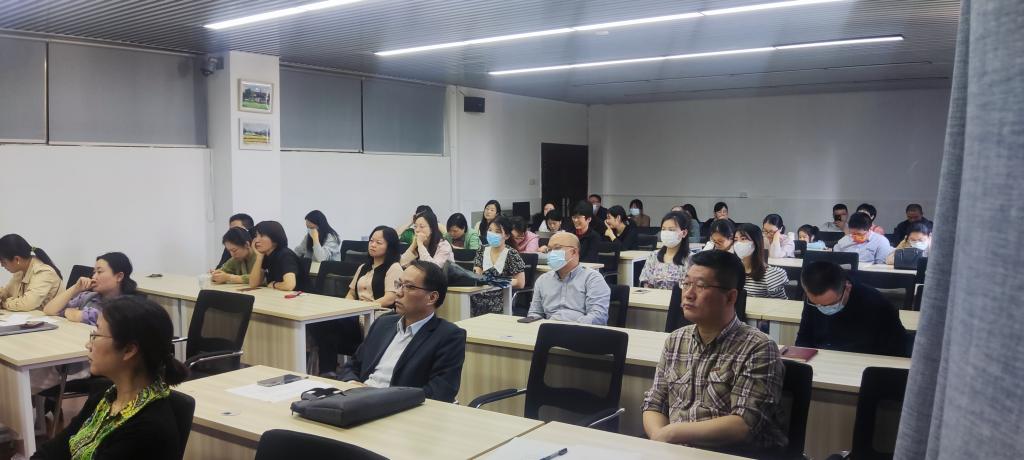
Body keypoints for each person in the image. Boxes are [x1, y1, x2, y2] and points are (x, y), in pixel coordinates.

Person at [642, 250, 787, 452]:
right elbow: (654, 403)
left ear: (730, 297)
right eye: (686, 283)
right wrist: (659, 437)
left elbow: (744, 424)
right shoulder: (676, 340)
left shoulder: (758, 347)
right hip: (673, 449)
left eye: (701, 286)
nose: (688, 294)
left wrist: (672, 433)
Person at [33, 297, 189, 460]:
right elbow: (53, 450)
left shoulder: (147, 428)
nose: (88, 344)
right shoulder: (105, 396)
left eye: (96, 334)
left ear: (128, 350)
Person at [340, 261, 466, 402]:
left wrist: (378, 397)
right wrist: (351, 384)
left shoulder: (449, 336)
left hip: (398, 407)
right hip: (356, 400)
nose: (398, 293)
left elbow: (440, 392)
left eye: (409, 287)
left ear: (431, 298)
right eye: (399, 284)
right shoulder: (383, 323)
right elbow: (352, 365)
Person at [797, 261, 907, 356]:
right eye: (816, 303)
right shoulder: (814, 299)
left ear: (847, 288)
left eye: (831, 304)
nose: (822, 308)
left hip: (863, 362)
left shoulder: (877, 305)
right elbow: (804, 338)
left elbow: (895, 350)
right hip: (823, 360)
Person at [527, 232, 610, 324]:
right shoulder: (543, 280)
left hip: (581, 330)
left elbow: (598, 317)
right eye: (549, 249)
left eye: (557, 248)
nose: (551, 253)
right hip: (549, 328)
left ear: (573, 252)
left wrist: (569, 327)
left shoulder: (593, 279)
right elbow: (535, 313)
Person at [44, 252, 137, 326]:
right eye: (94, 272)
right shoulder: (89, 296)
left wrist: (81, 315)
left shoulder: (130, 306)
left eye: (99, 272)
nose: (94, 277)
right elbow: (49, 310)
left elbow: (111, 322)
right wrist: (75, 288)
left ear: (119, 277)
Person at [471, 217, 526, 316]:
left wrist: (499, 281)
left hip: (500, 302)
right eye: (490, 230)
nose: (492, 234)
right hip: (478, 299)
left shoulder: (511, 254)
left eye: (497, 232)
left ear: (507, 235)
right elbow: (477, 274)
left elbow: (520, 283)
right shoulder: (482, 250)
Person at [0, 234, 62, 312]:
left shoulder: (43, 272)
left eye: (4, 262)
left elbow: (27, 304)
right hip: (33, 316)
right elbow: (8, 292)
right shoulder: (20, 270)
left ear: (17, 259)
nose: (2, 265)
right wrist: (2, 294)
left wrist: (4, 304)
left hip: (56, 318)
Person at [250, 220, 307, 291]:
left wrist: (274, 284)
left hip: (301, 295)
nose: (256, 240)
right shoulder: (265, 255)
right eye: (256, 236)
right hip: (280, 295)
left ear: (275, 239)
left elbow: (289, 285)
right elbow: (253, 284)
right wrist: (259, 257)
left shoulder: (286, 255)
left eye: (262, 236)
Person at [734, 224, 788, 299]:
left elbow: (781, 303)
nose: (738, 243)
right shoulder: (732, 270)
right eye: (735, 240)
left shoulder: (771, 275)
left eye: (743, 239)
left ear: (756, 242)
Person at [639, 212, 691, 289]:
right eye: (663, 229)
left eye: (671, 230)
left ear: (684, 233)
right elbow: (645, 282)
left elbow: (689, 287)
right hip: (654, 296)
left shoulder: (691, 259)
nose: (666, 233)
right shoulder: (654, 256)